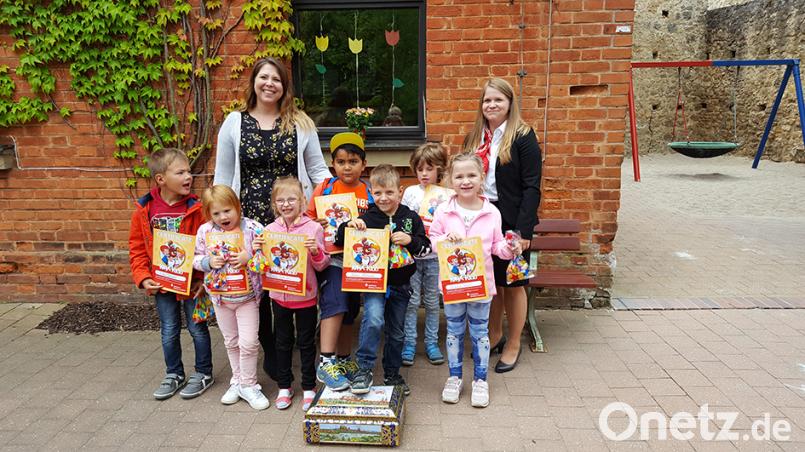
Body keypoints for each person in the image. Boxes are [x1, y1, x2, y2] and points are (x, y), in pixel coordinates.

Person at [214, 57, 332, 383]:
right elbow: (222, 177)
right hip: (249, 221)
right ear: (254, 81)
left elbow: (319, 172)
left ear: (284, 87)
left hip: (292, 221)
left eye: (276, 79)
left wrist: (330, 207)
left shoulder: (300, 123)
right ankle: (272, 350)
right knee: (258, 288)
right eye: (264, 77)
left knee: (291, 284)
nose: (269, 84)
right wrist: (218, 221)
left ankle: (293, 343)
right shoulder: (234, 123)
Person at [462, 78, 541, 374]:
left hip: (511, 220)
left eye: (498, 100)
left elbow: (532, 187)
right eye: (487, 100)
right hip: (480, 218)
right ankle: (494, 335)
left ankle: (513, 344)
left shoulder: (522, 136)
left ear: (510, 103)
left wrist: (524, 232)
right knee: (489, 281)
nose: (491, 105)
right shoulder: (474, 137)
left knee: (515, 283)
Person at [429, 154, 520, 407]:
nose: (465, 181)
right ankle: (454, 377)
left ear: (482, 178)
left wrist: (510, 248)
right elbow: (432, 240)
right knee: (454, 332)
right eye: (459, 176)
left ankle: (481, 380)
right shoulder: (444, 210)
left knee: (480, 333)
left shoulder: (491, 212)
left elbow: (497, 246)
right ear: (450, 179)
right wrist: (446, 238)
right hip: (453, 286)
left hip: (481, 286)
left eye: (471, 175)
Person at [334, 164, 431, 395]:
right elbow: (340, 239)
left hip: (401, 284)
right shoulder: (367, 216)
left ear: (400, 191)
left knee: (396, 332)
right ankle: (364, 370)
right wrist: (349, 225)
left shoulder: (410, 217)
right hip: (373, 284)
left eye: (389, 192)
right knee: (374, 320)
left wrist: (411, 240)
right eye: (378, 193)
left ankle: (392, 374)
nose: (383, 198)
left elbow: (426, 248)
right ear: (371, 192)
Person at [128, 148, 213, 401]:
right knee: (168, 329)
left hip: (191, 284)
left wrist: (203, 280)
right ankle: (174, 373)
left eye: (189, 171)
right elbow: (137, 247)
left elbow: (207, 247)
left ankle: (203, 372)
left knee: (198, 328)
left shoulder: (198, 209)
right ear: (161, 179)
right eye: (181, 172)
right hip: (161, 284)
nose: (188, 176)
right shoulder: (144, 210)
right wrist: (143, 277)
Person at [304, 132, 373, 390]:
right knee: (335, 303)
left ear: (363, 164)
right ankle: (326, 361)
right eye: (341, 161)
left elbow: (378, 221)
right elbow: (307, 219)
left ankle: (343, 360)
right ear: (333, 163)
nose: (347, 166)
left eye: (353, 161)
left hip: (358, 262)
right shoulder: (325, 188)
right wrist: (315, 223)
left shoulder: (368, 191)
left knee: (350, 310)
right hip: (331, 258)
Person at [193, 185, 269, 410]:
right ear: (209, 214)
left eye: (227, 210)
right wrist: (207, 262)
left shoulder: (253, 228)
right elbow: (195, 258)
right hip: (221, 298)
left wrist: (250, 257)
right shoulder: (205, 231)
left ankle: (249, 384)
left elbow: (267, 259)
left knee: (249, 342)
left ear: (238, 207)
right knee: (231, 342)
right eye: (216, 213)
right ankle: (237, 381)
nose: (222, 217)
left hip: (247, 298)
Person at [264, 177, 330, 411]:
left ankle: (309, 386)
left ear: (303, 201)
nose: (286, 204)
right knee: (282, 342)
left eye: (292, 199)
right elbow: (262, 266)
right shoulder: (269, 231)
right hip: (279, 296)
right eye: (280, 200)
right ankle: (284, 386)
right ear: (274, 204)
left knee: (306, 342)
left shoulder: (314, 228)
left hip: (305, 297)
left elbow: (322, 265)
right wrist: (258, 253)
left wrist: (315, 251)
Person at [401, 143, 449, 367]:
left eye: (429, 169)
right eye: (420, 169)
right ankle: (409, 342)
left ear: (439, 169)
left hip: (435, 258)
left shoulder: (448, 195)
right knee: (411, 302)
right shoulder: (410, 192)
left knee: (431, 301)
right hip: (412, 257)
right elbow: (402, 219)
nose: (424, 174)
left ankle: (431, 342)